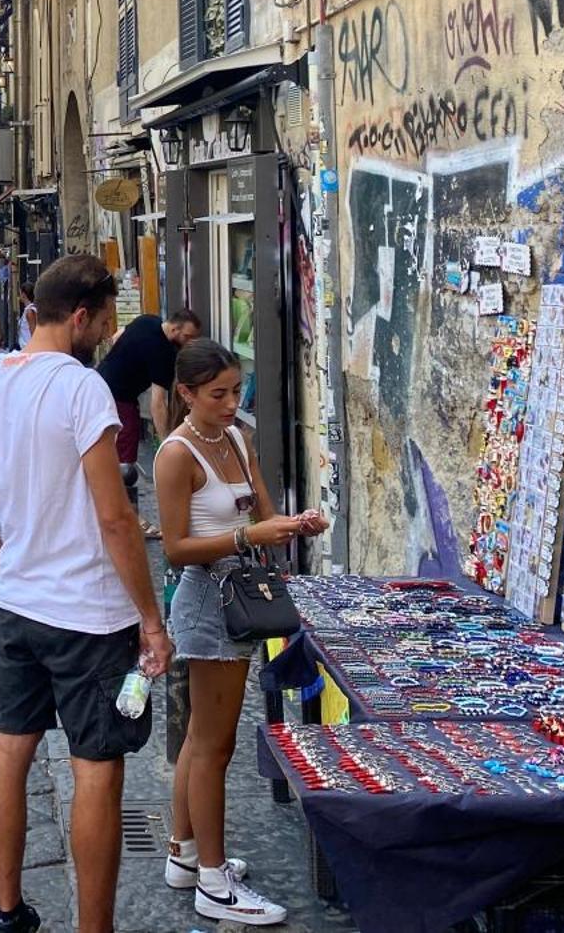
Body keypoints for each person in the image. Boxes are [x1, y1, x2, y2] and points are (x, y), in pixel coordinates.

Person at [0, 254, 174, 933]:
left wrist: (6, 563)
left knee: (11, 748)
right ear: (79, 318)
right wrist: (151, 620)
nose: (106, 336)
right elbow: (114, 517)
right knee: (96, 765)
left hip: (21, 605)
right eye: (104, 322)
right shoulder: (81, 390)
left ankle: (8, 910)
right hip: (90, 613)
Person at [156, 338, 326, 927]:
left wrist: (291, 525)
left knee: (202, 735)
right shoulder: (177, 455)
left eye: (235, 391)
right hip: (208, 598)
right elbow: (177, 547)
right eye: (217, 394)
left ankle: (184, 853)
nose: (231, 404)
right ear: (186, 394)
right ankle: (213, 880)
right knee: (214, 746)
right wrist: (247, 539)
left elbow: (260, 514)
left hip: (240, 593)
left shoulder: (233, 438)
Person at [97, 309, 203, 532]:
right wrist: (168, 442)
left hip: (102, 384)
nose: (191, 342)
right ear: (174, 329)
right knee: (125, 461)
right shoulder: (162, 352)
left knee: (115, 457)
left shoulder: (148, 320)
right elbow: (158, 403)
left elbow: (118, 335)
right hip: (119, 398)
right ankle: (130, 517)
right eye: (188, 337)